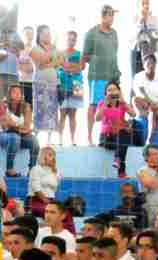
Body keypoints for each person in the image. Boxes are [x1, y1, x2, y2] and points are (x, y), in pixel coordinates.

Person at [83, 6, 123, 146]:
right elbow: (85, 55)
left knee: (115, 105)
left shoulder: (114, 33)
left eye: (113, 16)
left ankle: (112, 135)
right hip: (97, 75)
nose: (112, 19)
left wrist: (116, 72)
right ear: (103, 16)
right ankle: (89, 137)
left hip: (112, 76)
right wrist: (98, 61)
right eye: (110, 15)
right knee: (94, 105)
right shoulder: (92, 33)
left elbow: (114, 53)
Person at [97, 81, 140, 178]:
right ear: (106, 93)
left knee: (124, 132)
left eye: (114, 89)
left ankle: (117, 158)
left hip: (120, 137)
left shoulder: (122, 104)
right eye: (109, 90)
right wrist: (105, 103)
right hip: (107, 138)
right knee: (123, 137)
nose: (112, 92)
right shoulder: (102, 104)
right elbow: (97, 118)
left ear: (119, 91)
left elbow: (134, 114)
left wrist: (123, 101)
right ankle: (121, 171)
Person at [0, 84, 40, 178]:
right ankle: (9, 170)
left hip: (21, 136)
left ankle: (32, 170)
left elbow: (27, 128)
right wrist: (20, 127)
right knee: (14, 137)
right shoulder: (3, 105)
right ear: (9, 94)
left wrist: (13, 124)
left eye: (19, 93)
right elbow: (4, 126)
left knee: (34, 141)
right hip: (4, 135)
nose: (17, 94)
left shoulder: (26, 106)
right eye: (14, 92)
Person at [31, 25, 59, 145]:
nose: (48, 35)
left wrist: (48, 63)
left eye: (49, 33)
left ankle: (49, 139)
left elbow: (59, 61)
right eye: (45, 33)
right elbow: (43, 59)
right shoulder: (35, 48)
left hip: (53, 84)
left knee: (52, 110)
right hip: (39, 84)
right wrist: (50, 52)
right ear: (39, 35)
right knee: (39, 109)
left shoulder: (54, 49)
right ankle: (36, 137)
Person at [57, 30, 84, 146]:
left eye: (73, 39)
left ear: (76, 41)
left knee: (73, 114)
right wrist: (73, 66)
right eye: (69, 39)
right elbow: (61, 65)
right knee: (62, 113)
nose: (71, 42)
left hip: (77, 84)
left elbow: (81, 67)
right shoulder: (60, 53)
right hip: (63, 84)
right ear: (66, 39)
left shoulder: (80, 53)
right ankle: (60, 139)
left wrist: (68, 66)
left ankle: (73, 140)